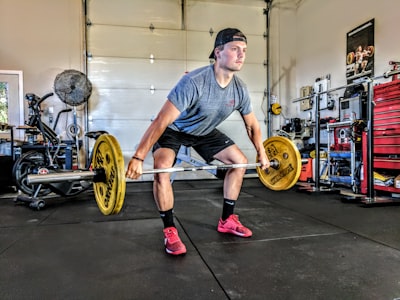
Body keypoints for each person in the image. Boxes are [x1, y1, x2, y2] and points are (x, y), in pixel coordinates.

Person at [125, 28, 270, 256]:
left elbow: (252, 125)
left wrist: (261, 152)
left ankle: (227, 219)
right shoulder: (194, 82)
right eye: (235, 49)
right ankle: (170, 229)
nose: (242, 55)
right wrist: (138, 157)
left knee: (239, 163)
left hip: (204, 132)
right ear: (218, 52)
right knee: (162, 168)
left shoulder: (239, 88)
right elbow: (162, 121)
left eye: (244, 50)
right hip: (174, 130)